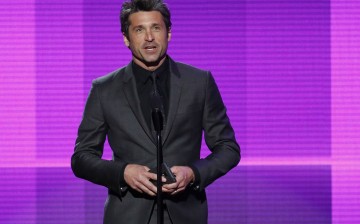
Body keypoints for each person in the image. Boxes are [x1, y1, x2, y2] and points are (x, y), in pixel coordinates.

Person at [71, 0, 240, 223]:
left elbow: (228, 148)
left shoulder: (199, 83)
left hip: (185, 214)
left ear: (168, 33)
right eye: (139, 30)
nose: (149, 37)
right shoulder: (104, 89)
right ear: (126, 38)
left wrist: (193, 173)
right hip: (127, 215)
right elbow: (81, 158)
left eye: (156, 28)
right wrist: (123, 173)